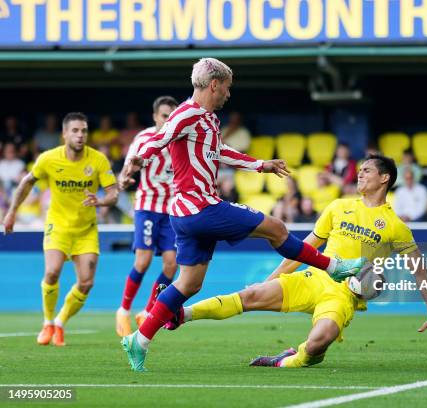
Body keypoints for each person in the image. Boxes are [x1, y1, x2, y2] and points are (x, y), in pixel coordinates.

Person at [118, 58, 366, 372]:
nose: (229, 95)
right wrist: (135, 161)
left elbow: (220, 152)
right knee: (276, 228)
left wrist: (260, 164)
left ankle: (138, 341)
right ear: (214, 85)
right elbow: (160, 137)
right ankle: (334, 267)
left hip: (185, 215)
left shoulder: (207, 120)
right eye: (227, 88)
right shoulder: (187, 113)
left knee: (189, 284)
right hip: (201, 207)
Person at [164, 155, 427, 368]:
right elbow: (302, 249)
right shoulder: (339, 207)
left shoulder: (395, 225)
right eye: (359, 170)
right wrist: (270, 281)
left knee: (316, 345)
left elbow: (419, 270)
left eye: (367, 170)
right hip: (314, 278)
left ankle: (285, 360)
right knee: (250, 295)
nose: (359, 174)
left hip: (343, 296)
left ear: (385, 178)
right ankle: (181, 314)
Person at [2, 112, 118, 346]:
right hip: (58, 227)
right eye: (75, 130)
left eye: (84, 130)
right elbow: (27, 183)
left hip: (86, 229)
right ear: (64, 134)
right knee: (52, 272)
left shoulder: (98, 160)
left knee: (86, 283)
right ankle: (47, 322)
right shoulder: (48, 159)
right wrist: (12, 212)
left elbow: (113, 193)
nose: (80, 135)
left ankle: (60, 322)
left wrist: (101, 200)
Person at [115, 96, 179, 337]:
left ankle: (149, 311)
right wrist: (123, 178)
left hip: (172, 209)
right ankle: (123, 310)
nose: (168, 120)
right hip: (148, 206)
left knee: (172, 265)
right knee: (142, 261)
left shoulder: (181, 139)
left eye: (172, 115)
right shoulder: (143, 138)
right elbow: (130, 164)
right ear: (155, 117)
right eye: (164, 115)